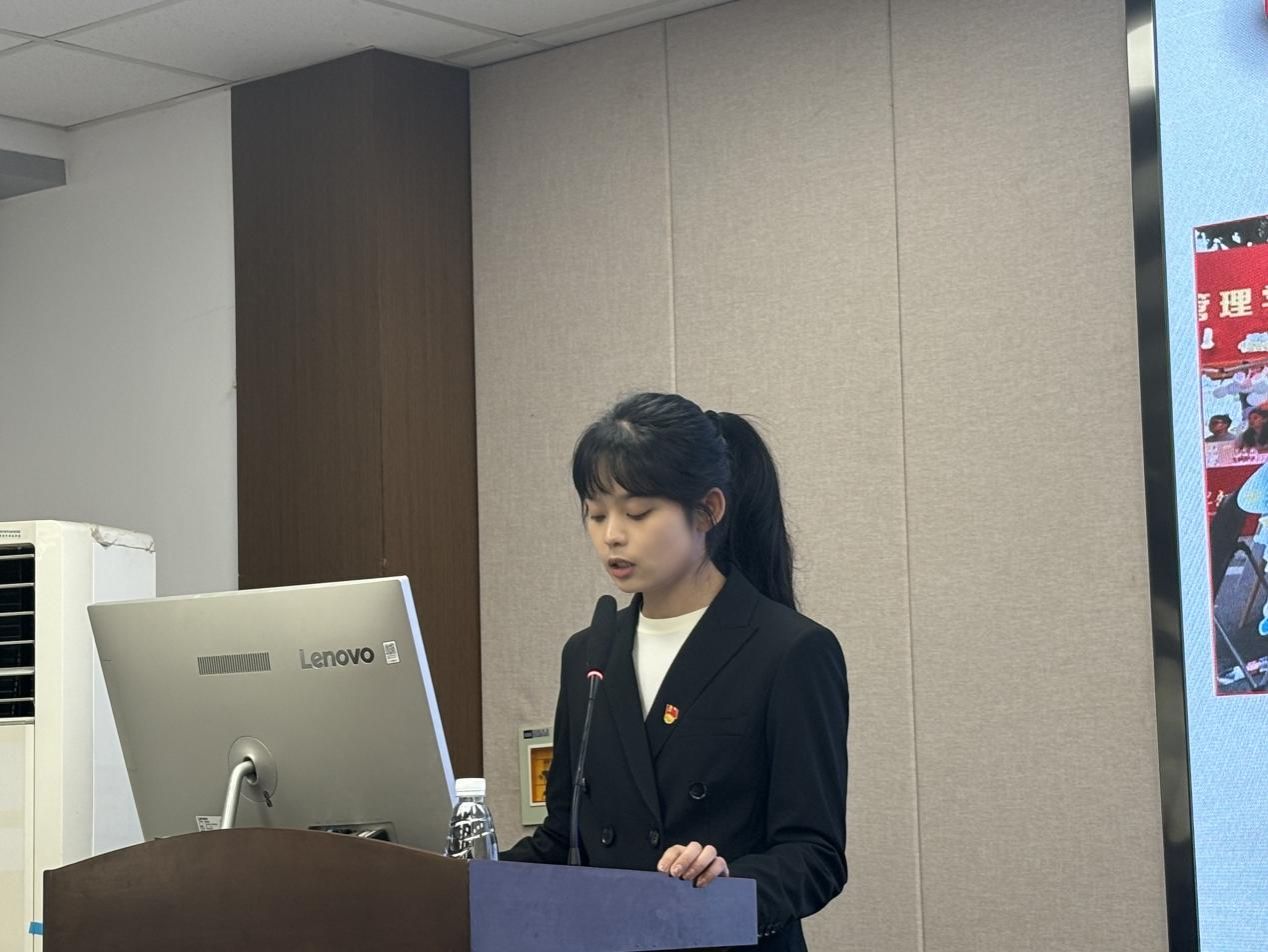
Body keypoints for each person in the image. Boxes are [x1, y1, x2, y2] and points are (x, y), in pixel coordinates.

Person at [502, 392, 849, 952]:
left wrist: (727, 884)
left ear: (708, 510)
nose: (612, 535)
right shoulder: (588, 653)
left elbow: (815, 853)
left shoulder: (791, 650)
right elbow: (562, 836)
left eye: (637, 513)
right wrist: (459, 876)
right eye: (596, 513)